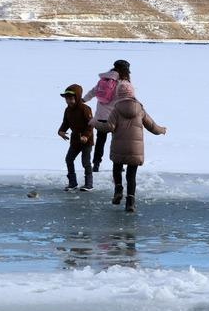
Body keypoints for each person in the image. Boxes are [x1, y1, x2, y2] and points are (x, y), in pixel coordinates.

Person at [91, 84, 166, 212]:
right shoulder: (140, 109)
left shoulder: (116, 109)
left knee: (117, 169)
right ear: (132, 94)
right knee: (131, 175)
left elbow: (109, 127)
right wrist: (161, 130)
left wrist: (94, 123)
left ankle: (118, 189)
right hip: (134, 149)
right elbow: (152, 126)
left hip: (119, 147)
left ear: (119, 95)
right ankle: (130, 202)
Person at [83, 59, 134, 172]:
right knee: (117, 142)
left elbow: (93, 91)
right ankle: (118, 165)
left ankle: (96, 164)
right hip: (115, 117)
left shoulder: (105, 79)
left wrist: (84, 99)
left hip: (101, 116)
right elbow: (127, 99)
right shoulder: (122, 83)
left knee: (100, 141)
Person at [58, 84, 94, 192]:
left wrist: (86, 136)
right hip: (75, 139)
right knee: (69, 159)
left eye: (71, 98)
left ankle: (89, 184)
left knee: (85, 162)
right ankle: (72, 183)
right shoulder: (68, 110)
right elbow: (65, 123)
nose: (68, 101)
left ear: (77, 97)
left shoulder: (85, 108)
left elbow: (91, 124)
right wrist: (61, 131)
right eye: (67, 99)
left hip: (86, 140)